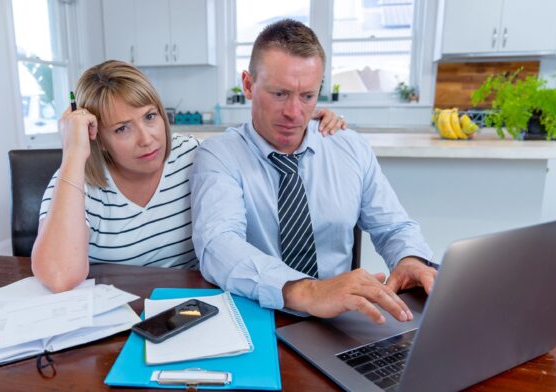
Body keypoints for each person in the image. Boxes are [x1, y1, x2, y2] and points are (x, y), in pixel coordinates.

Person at [190, 20, 438, 325]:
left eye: (307, 96)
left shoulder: (350, 147)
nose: (294, 113)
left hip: (342, 319)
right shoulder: (219, 155)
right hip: (256, 317)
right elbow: (218, 245)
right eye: (279, 94)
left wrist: (410, 258)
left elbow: (394, 227)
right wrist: (308, 291)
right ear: (248, 85)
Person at [31, 60, 347, 292]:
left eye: (150, 117)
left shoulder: (195, 156)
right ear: (96, 135)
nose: (147, 138)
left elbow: (261, 148)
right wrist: (73, 154)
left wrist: (299, 121)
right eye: (123, 128)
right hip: (113, 321)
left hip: (193, 308)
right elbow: (59, 277)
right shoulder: (73, 182)